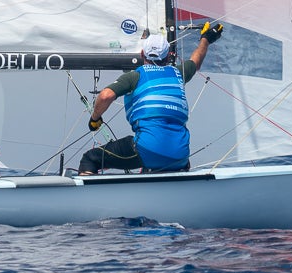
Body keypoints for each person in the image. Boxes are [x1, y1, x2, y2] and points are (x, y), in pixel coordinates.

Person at [78, 21, 223, 175]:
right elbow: (196, 61)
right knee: (159, 159)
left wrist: (95, 119)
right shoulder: (178, 73)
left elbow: (106, 95)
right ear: (168, 55)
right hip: (180, 156)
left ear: (142, 54)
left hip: (146, 150)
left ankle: (90, 197)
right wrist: (206, 39)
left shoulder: (135, 76)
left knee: (90, 158)